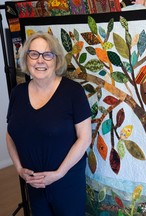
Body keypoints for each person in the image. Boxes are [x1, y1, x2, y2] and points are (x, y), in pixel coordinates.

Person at [6, 32, 92, 216]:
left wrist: (59, 173)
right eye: (34, 54)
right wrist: (19, 169)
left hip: (66, 181)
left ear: (56, 60)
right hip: (34, 184)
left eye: (47, 54)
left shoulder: (73, 92)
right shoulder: (17, 93)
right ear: (26, 59)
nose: (40, 61)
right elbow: (10, 134)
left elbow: (85, 138)